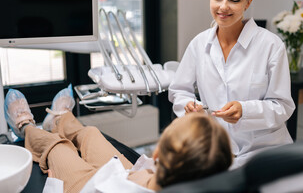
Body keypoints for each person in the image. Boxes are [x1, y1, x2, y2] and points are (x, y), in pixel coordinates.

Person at [168, 0, 295, 169]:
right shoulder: (199, 45)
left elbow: (283, 106)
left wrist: (245, 111)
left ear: (248, 2)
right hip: (217, 150)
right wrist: (189, 107)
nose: (223, 6)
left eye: (234, 0)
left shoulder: (271, 45)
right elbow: (179, 91)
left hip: (265, 151)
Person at [4, 85, 232, 193]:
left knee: (58, 147)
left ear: (157, 153)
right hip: (127, 175)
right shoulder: (180, 178)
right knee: (91, 133)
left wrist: (53, 187)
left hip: (85, 189)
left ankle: (25, 127)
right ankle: (59, 120)